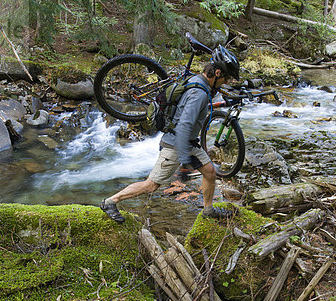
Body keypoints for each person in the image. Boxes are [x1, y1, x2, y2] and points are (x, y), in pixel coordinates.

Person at [100, 45, 240, 223]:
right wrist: (183, 161)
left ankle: (208, 210)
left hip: (188, 142)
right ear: (218, 73)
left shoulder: (198, 81)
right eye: (226, 79)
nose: (226, 83)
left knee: (210, 172)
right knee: (151, 185)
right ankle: (111, 201)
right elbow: (184, 125)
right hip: (175, 144)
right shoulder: (199, 94)